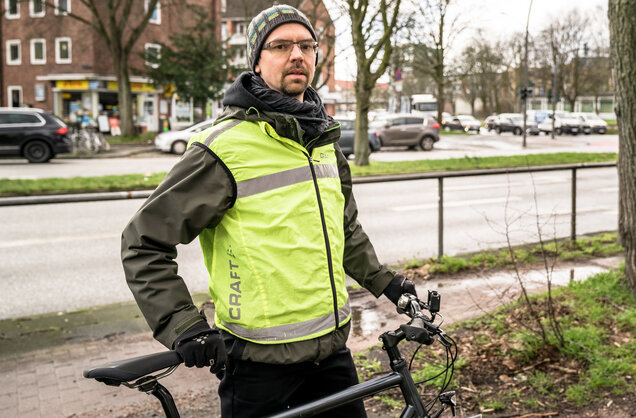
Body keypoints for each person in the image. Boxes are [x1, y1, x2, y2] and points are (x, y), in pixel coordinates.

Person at [120, 4, 416, 417]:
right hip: (258, 367)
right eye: (280, 45)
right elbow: (143, 242)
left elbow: (344, 230)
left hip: (331, 353)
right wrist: (183, 326)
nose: (297, 54)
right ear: (257, 61)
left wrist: (388, 283)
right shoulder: (221, 148)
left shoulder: (324, 140)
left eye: (306, 45)